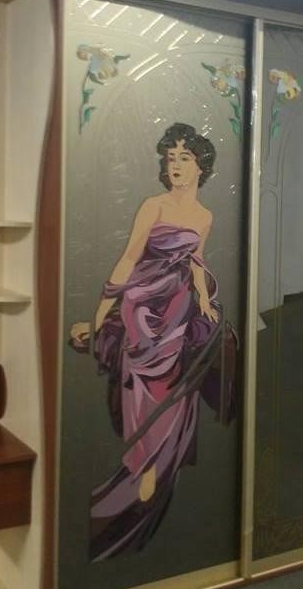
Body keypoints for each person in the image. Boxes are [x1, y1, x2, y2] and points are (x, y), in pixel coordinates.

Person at [70, 123, 236, 560]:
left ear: (200, 165)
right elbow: (129, 257)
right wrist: (102, 309)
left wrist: (205, 301)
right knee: (140, 386)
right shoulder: (153, 206)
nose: (175, 166)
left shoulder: (204, 216)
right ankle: (143, 462)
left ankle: (159, 464)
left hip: (179, 307)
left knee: (176, 388)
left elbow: (196, 260)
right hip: (142, 306)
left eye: (184, 158)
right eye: (170, 159)